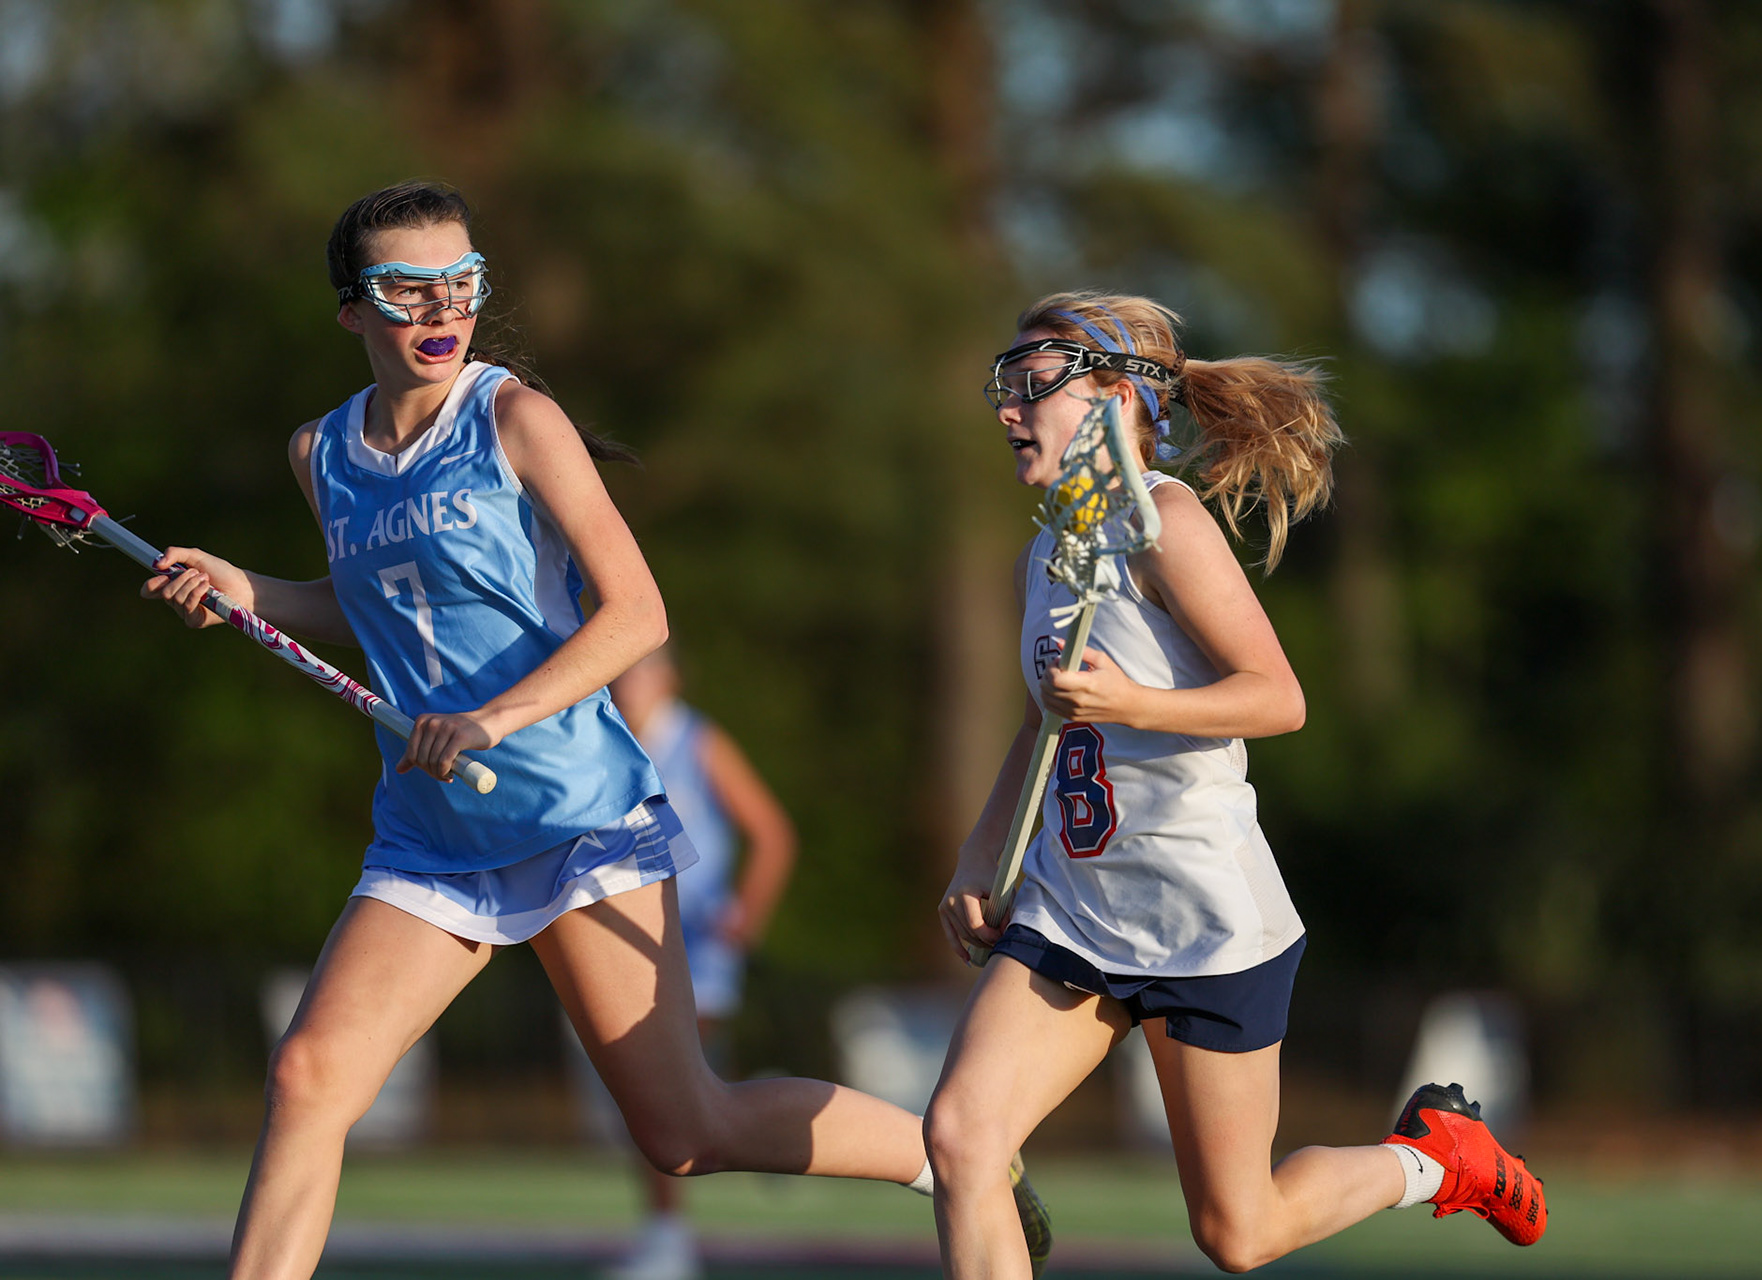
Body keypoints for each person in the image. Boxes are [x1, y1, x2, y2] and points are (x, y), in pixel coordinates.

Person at [142, 180, 1045, 1280]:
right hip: (433, 831)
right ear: (351, 310)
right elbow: (369, 601)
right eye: (405, 287)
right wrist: (249, 589)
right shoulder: (320, 452)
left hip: (576, 811)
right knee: (309, 1078)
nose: (440, 308)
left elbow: (638, 613)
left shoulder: (514, 418)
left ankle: (959, 1153)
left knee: (687, 1131)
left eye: (461, 282)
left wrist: (492, 716)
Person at [928, 292, 1547, 1277]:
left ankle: (1436, 1156)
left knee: (1239, 1231)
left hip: (1202, 917)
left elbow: (1278, 696)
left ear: (1116, 397)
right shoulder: (1041, 558)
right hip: (1076, 907)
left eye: (1032, 381)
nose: (1008, 409)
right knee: (962, 1136)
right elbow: (1046, 719)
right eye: (1004, 384)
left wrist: (1131, 699)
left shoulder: (1166, 521)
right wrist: (981, 848)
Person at [598, 644, 798, 1280]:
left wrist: (748, 914)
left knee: (663, 1088)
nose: (630, 682)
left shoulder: (697, 740)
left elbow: (772, 832)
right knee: (671, 1092)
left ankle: (669, 1239)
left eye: (643, 669)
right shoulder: (603, 739)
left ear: (670, 675)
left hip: (698, 940)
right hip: (633, 937)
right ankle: (783, 1128)